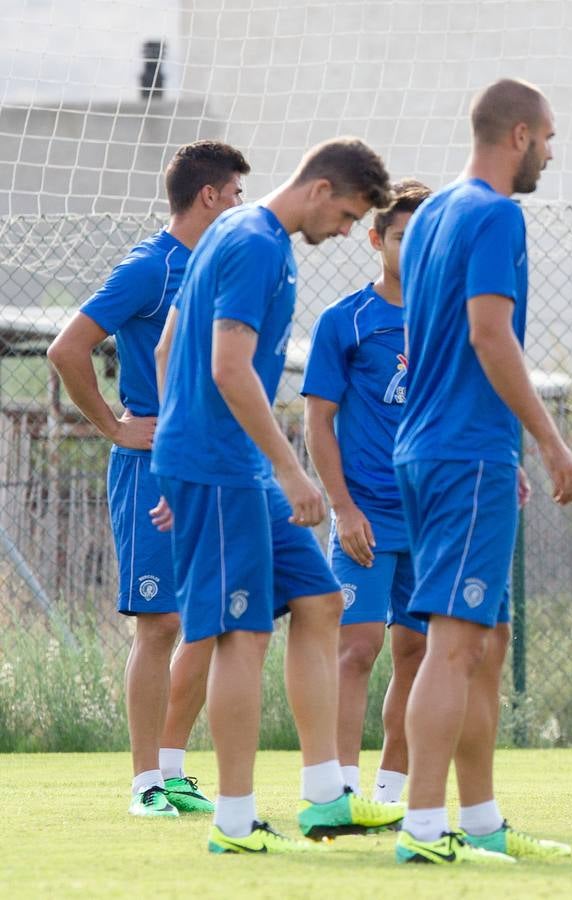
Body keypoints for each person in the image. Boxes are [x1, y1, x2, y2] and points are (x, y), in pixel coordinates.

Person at [152, 137, 402, 853]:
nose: (351, 231)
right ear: (321, 189)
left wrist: (178, 451)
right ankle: (233, 823)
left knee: (320, 601)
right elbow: (230, 369)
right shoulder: (256, 241)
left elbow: (172, 349)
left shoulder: (236, 231)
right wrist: (289, 471)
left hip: (221, 465)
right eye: (352, 214)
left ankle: (326, 797)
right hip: (226, 467)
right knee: (242, 635)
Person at [393, 78, 572, 864]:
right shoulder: (497, 213)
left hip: (442, 449)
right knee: (454, 641)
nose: (550, 152)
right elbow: (488, 336)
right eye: (548, 138)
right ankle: (421, 829)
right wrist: (549, 439)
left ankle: (480, 823)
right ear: (518, 137)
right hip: (463, 451)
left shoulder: (433, 210)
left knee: (487, 639)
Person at [46, 139, 248, 819]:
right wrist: (113, 426)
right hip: (153, 463)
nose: (242, 207)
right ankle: (143, 786)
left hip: (211, 462)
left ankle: (173, 769)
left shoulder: (218, 268)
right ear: (210, 196)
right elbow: (67, 347)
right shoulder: (149, 268)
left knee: (207, 622)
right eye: (237, 195)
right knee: (158, 622)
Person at [302, 178, 432, 805]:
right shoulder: (345, 321)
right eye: (402, 235)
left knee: (419, 651)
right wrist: (343, 507)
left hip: (433, 516)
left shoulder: (458, 320)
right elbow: (317, 422)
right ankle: (341, 790)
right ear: (377, 239)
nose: (414, 247)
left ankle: (391, 792)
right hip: (368, 516)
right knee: (355, 647)